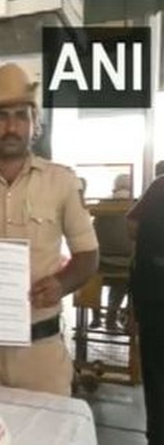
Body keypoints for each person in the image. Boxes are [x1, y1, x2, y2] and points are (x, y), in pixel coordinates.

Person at [0, 63, 98, 396]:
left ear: (33, 124)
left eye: (21, 116)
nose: (11, 127)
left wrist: (61, 283)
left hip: (40, 354)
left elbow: (89, 256)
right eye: (0, 117)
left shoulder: (62, 182)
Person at [127, 172, 164, 445]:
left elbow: (131, 227)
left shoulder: (160, 186)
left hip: (154, 294)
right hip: (154, 294)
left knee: (155, 373)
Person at [89, 173, 133, 331]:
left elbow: (93, 232)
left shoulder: (103, 204)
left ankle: (94, 317)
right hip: (126, 261)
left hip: (100, 261)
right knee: (122, 281)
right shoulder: (135, 203)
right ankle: (111, 317)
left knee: (93, 279)